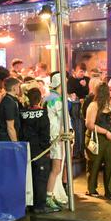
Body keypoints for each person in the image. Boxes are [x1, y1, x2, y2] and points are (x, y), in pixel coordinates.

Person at [85, 83, 111, 199]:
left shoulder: (106, 105)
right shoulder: (93, 105)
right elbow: (89, 124)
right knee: (94, 164)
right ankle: (91, 189)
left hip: (109, 138)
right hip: (96, 138)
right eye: (108, 91)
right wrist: (105, 132)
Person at [20, 88, 54, 213]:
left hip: (25, 149)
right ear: (40, 99)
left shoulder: (22, 113)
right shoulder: (43, 114)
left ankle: (29, 203)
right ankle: (39, 206)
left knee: (28, 178)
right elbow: (45, 134)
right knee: (40, 178)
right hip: (39, 150)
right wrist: (46, 150)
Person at [44, 72, 69, 209]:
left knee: (55, 168)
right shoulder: (57, 100)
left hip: (52, 136)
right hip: (56, 138)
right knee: (56, 168)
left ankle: (53, 194)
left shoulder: (47, 97)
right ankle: (49, 197)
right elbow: (62, 119)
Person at [0, 77, 22, 142]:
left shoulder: (11, 100)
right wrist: (15, 143)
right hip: (8, 139)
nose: (20, 89)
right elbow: (10, 127)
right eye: (18, 86)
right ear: (14, 88)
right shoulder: (9, 102)